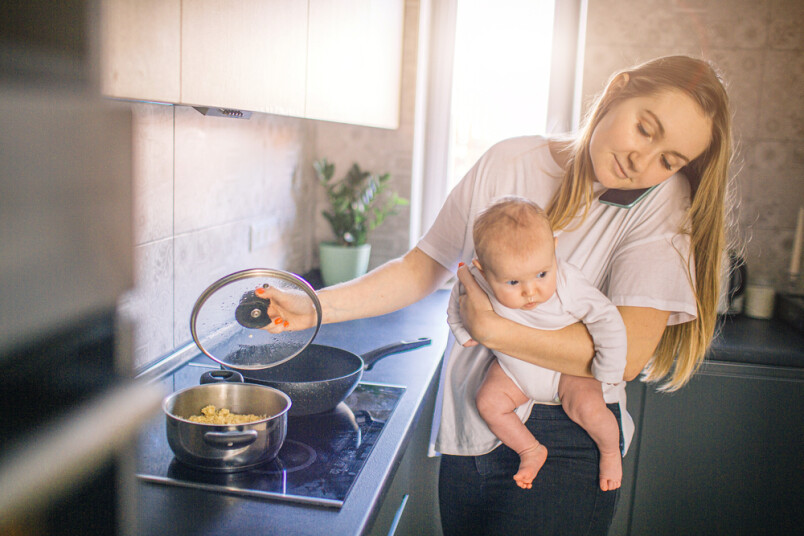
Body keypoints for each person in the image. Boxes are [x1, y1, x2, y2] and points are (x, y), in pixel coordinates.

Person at [260, 55, 733, 535]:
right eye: (645, 129)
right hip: (471, 426)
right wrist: (314, 307)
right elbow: (420, 268)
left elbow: (627, 355)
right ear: (619, 89)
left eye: (669, 160)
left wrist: (492, 330)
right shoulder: (508, 159)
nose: (642, 162)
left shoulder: (663, 200)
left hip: (566, 438)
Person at [447, 196, 627, 492]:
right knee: (488, 403)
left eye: (542, 274)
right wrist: (461, 331)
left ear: (554, 248)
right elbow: (457, 299)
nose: (531, 291)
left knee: (590, 410)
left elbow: (607, 319)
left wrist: (609, 370)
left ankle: (609, 451)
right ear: (484, 270)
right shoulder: (475, 278)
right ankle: (530, 449)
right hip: (515, 369)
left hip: (567, 369)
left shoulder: (569, 282)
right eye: (513, 283)